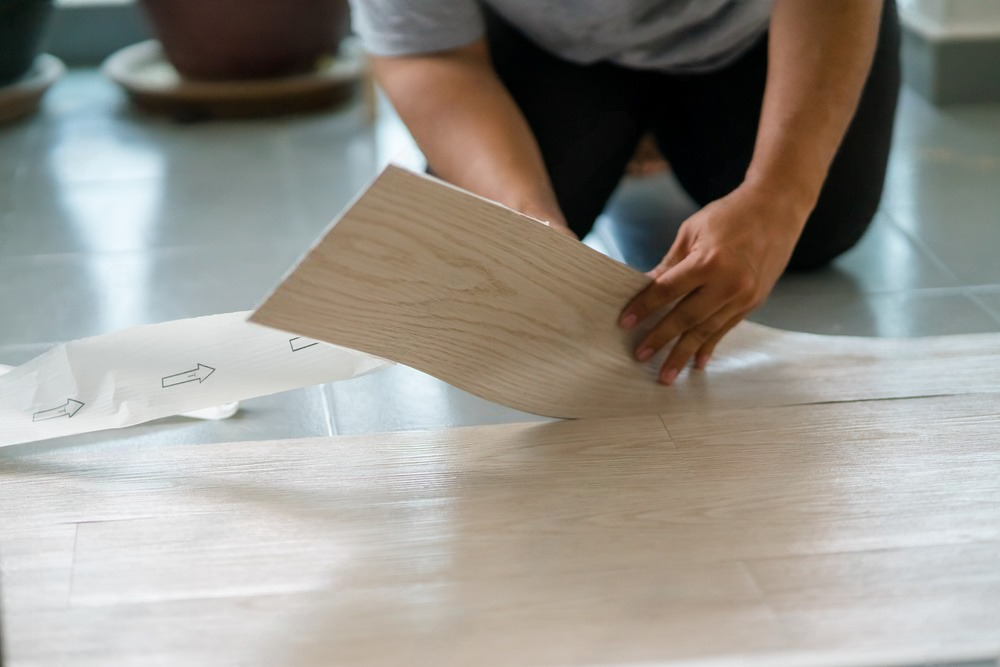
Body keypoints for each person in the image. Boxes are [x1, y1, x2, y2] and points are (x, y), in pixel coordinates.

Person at [348, 0, 900, 384]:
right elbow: (428, 52)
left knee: (818, 231)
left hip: (754, 32)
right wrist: (527, 215)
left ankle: (654, 130)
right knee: (497, 243)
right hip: (550, 43)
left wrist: (778, 195)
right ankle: (631, 125)